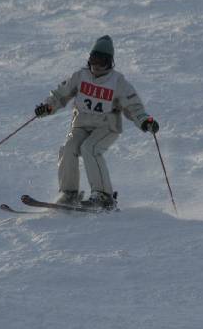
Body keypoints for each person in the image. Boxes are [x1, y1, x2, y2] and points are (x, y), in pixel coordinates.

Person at [34, 36, 159, 210]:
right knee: (68, 148)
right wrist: (48, 107)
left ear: (110, 62)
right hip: (81, 123)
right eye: (94, 59)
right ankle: (69, 193)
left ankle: (103, 195)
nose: (97, 65)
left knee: (89, 148)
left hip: (106, 126)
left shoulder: (117, 82)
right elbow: (60, 95)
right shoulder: (80, 76)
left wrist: (145, 121)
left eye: (102, 61)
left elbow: (133, 107)